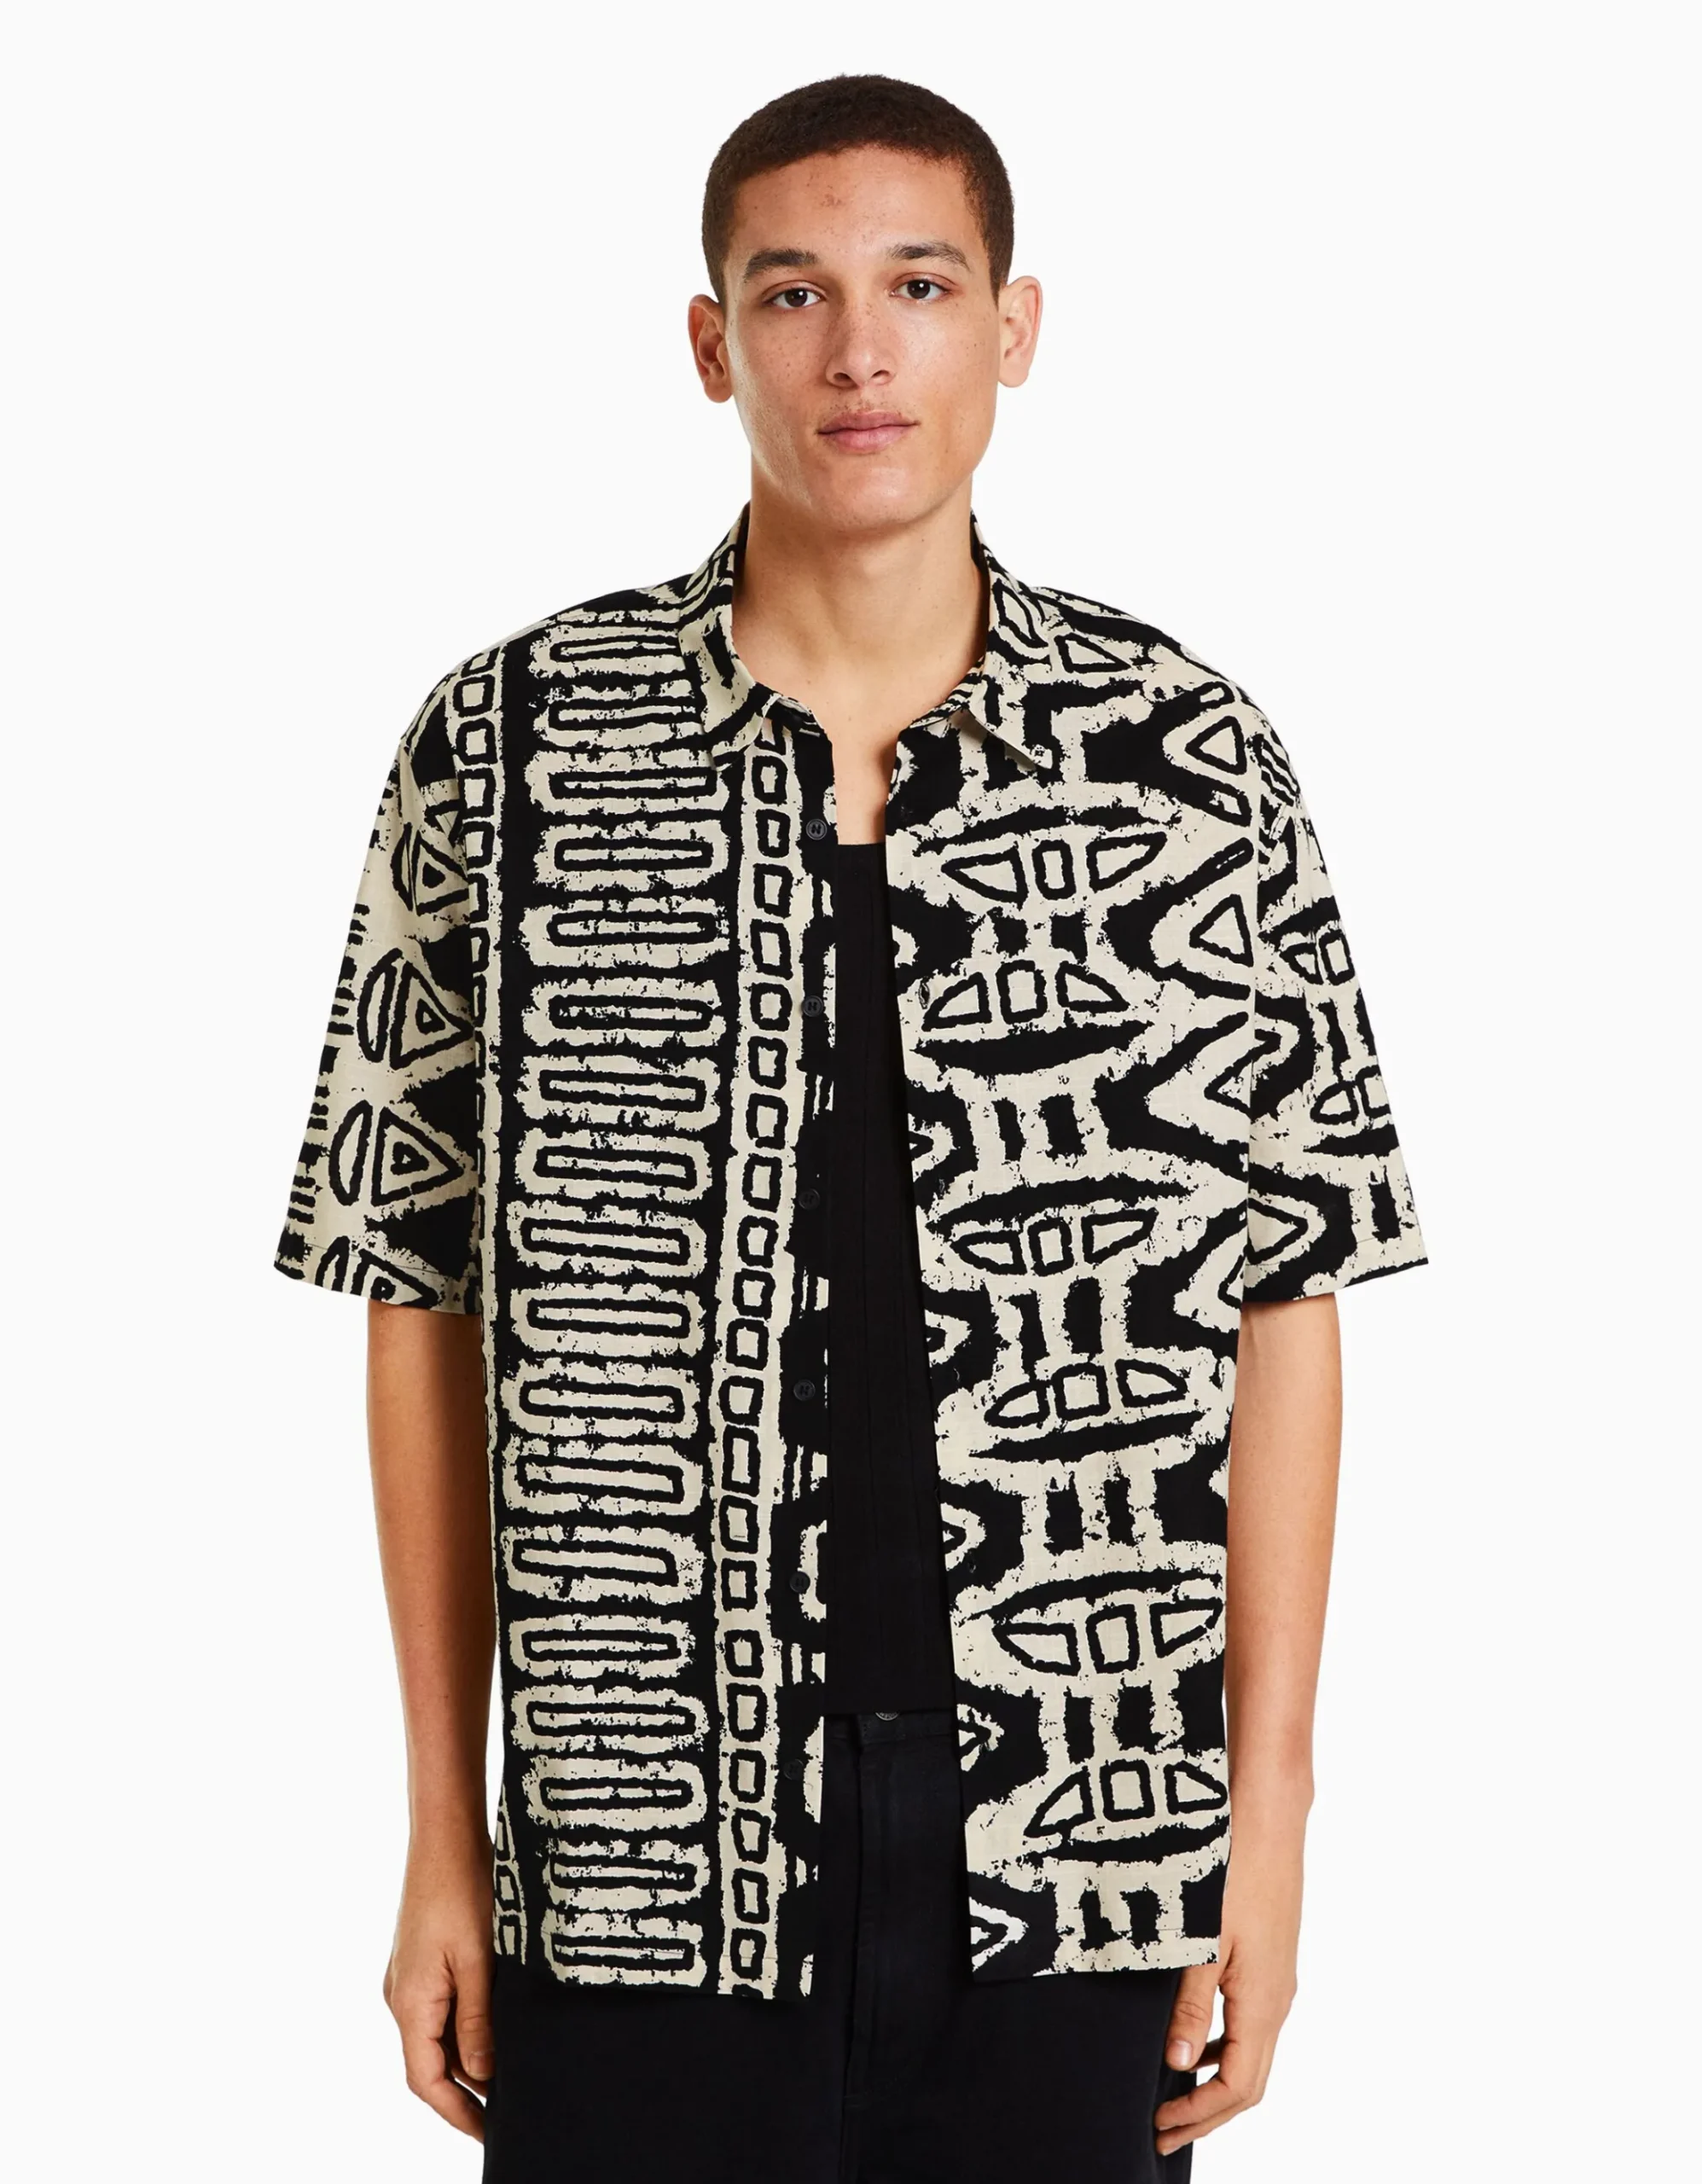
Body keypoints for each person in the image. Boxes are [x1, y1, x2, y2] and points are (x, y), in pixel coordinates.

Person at [276, 73, 1426, 2182]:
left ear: (1016, 326)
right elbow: (417, 1296)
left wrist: (1266, 1828)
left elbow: (1288, 1302)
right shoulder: (509, 747)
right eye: (792, 294)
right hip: (642, 1843)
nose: (859, 352)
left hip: (1080, 1844)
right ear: (709, 342)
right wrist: (446, 1826)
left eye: (920, 284)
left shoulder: (1184, 758)